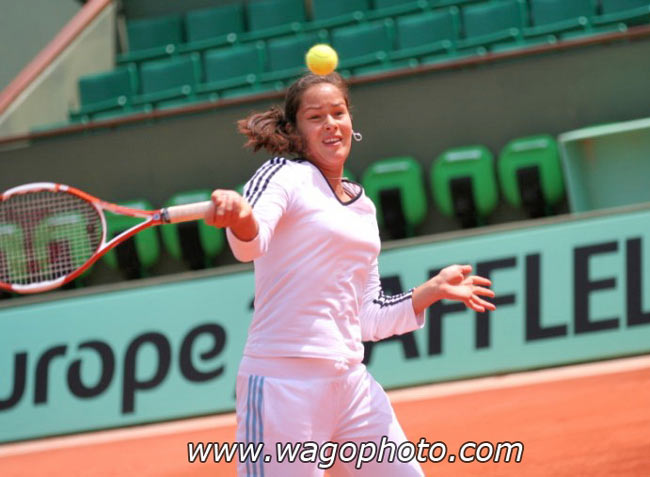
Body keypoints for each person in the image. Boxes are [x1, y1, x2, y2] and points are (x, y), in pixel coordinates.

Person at [205, 72, 496, 476]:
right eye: (315, 116)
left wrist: (429, 291)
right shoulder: (283, 175)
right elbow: (250, 244)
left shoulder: (363, 207)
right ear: (294, 131)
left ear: (351, 122)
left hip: (350, 385)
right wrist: (240, 218)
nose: (330, 123)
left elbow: (367, 315)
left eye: (338, 112)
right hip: (282, 387)